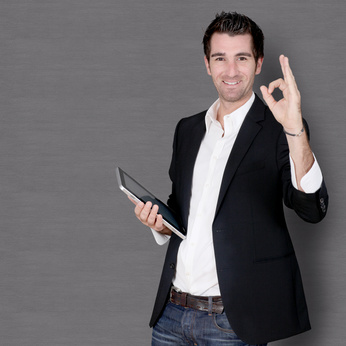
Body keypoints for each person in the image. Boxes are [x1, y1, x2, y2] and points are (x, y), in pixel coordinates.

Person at [130, 11, 328, 345]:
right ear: (208, 64)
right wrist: (161, 226)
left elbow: (312, 209)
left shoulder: (282, 129)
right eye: (220, 58)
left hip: (234, 324)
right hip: (171, 315)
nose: (231, 70)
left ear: (259, 62)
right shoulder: (187, 129)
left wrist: (294, 129)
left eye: (242, 58)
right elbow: (183, 208)